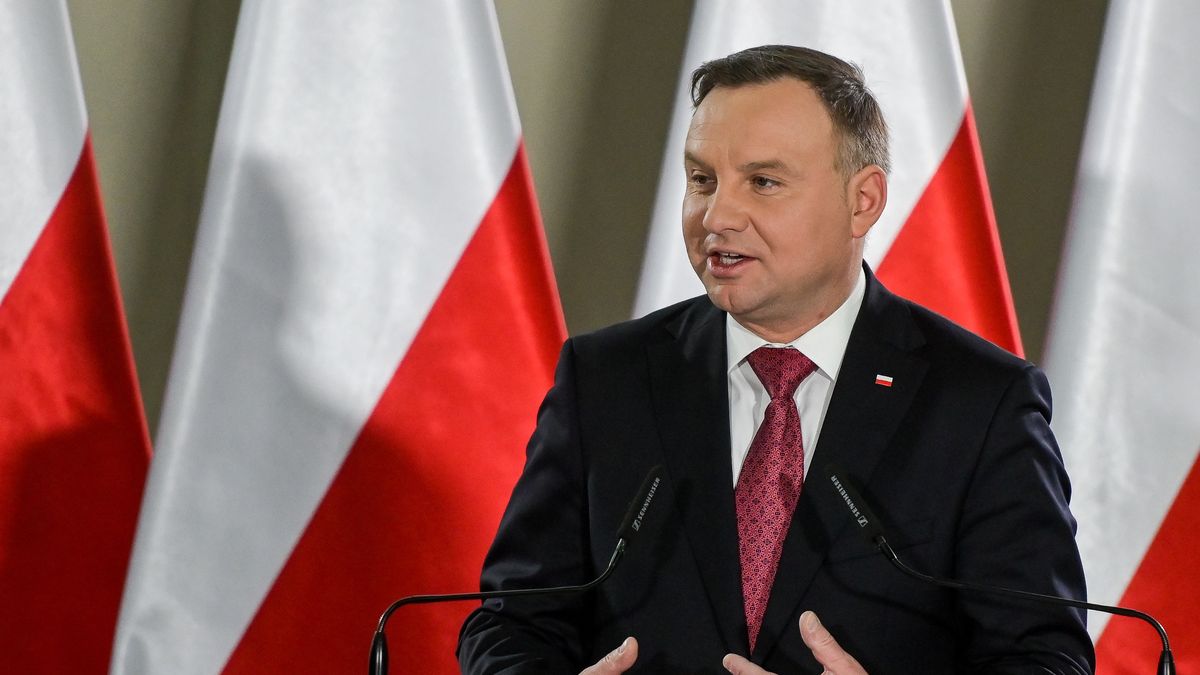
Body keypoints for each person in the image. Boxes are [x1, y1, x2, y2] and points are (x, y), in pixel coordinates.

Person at [457, 45, 1094, 674]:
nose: (717, 215)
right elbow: (510, 623)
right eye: (702, 180)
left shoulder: (980, 402)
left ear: (862, 201)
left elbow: (1046, 658)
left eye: (763, 182)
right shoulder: (607, 380)